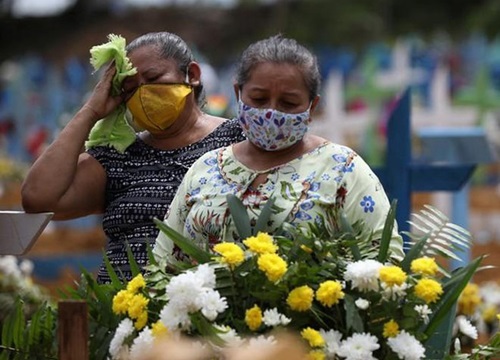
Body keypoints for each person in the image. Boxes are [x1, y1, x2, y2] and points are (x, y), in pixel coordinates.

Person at [153, 34, 404, 263]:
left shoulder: (342, 169)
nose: (271, 112)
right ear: (238, 93)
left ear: (311, 106)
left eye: (289, 102)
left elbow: (383, 261)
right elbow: (165, 263)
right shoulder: (206, 169)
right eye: (259, 99)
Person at [21, 32, 245, 284]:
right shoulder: (118, 158)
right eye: (130, 88)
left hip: (208, 306)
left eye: (153, 78)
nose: (143, 93)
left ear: (192, 75)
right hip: (122, 311)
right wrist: (90, 111)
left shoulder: (237, 140)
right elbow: (37, 197)